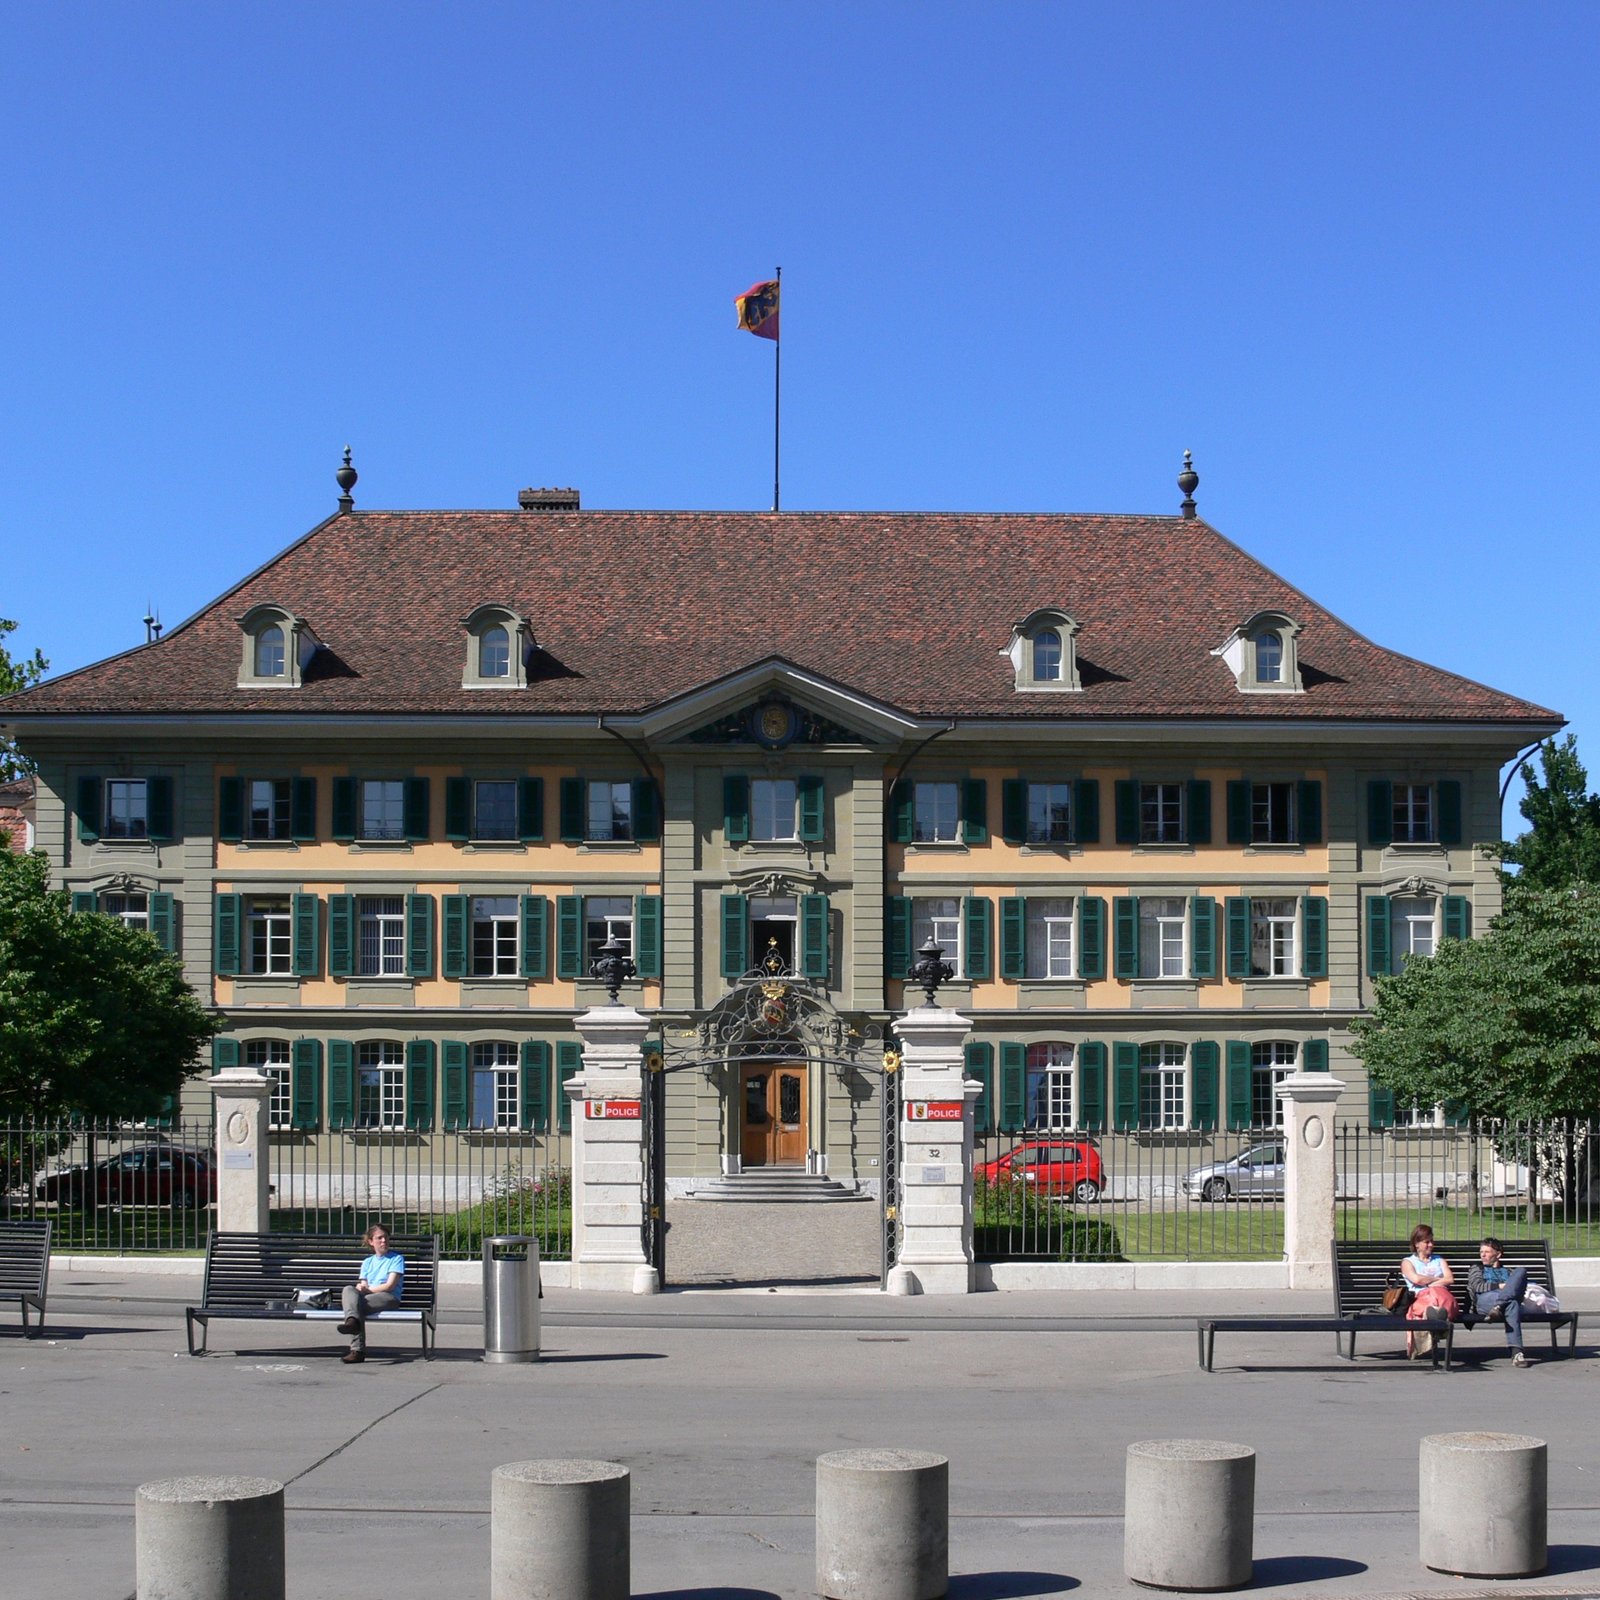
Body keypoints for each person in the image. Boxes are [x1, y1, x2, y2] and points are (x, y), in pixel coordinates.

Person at [338, 1223, 404, 1365]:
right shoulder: (367, 1262)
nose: (384, 1241)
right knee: (349, 1289)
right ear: (371, 1241)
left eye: (386, 1238)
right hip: (368, 1297)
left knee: (355, 1309)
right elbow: (364, 1283)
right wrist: (361, 1288)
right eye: (379, 1238)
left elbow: (389, 1285)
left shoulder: (396, 1259)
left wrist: (367, 1291)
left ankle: (357, 1350)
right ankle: (353, 1323)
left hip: (388, 1297)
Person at [1467, 1236, 1530, 1368]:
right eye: (1481, 1252)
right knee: (1512, 1302)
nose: (1483, 1255)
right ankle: (1517, 1353)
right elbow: (1477, 1286)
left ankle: (1499, 1305)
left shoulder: (1509, 1272)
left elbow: (1520, 1292)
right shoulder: (1477, 1268)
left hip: (1501, 1305)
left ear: (1498, 1254)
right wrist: (1501, 1287)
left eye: (1487, 1252)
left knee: (1521, 1272)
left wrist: (1505, 1292)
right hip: (1485, 1301)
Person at [1399, 1223, 1458, 1359]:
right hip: (1421, 1297)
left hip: (1442, 1295)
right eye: (1427, 1242)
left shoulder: (1439, 1260)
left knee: (1436, 1297)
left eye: (1432, 1241)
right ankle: (1438, 1323)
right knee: (1430, 1298)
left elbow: (1449, 1279)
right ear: (1416, 1243)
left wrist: (1429, 1282)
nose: (1431, 1244)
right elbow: (1416, 1280)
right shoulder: (1408, 1262)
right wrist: (1437, 1279)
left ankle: (1435, 1317)